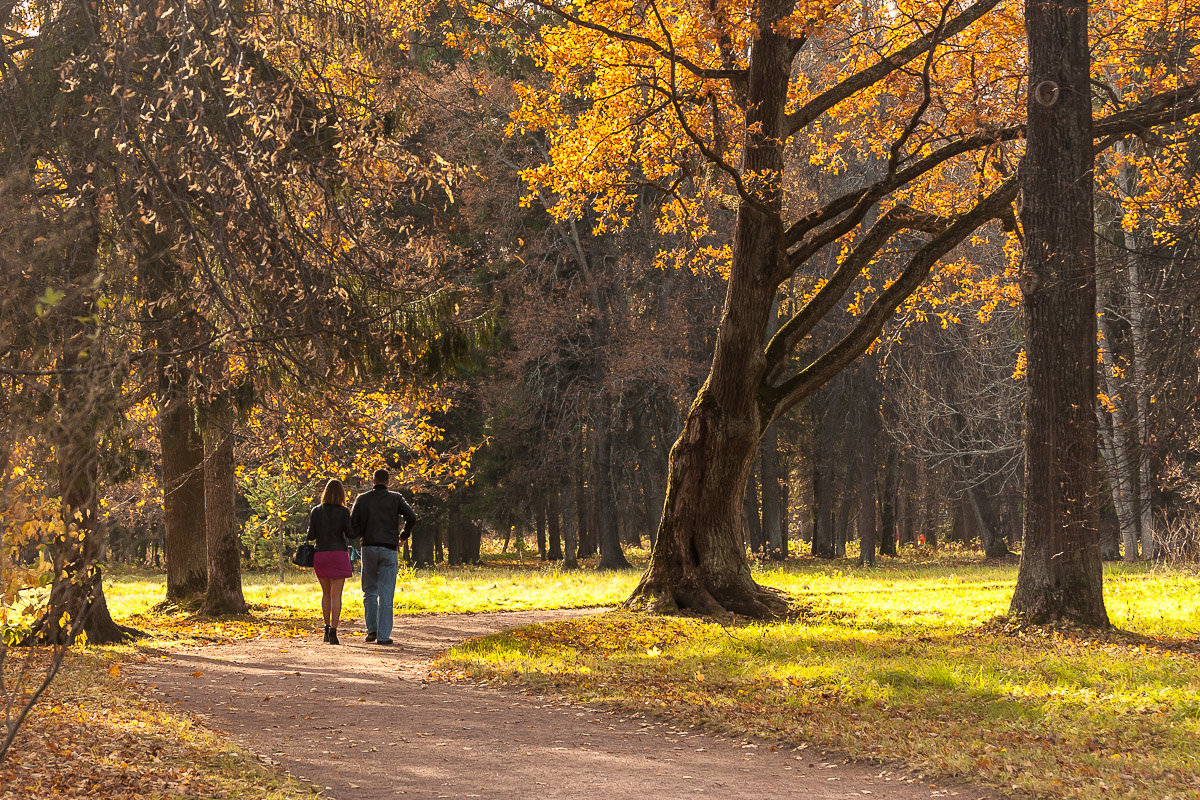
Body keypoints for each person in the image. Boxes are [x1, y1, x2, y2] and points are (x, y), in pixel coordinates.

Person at [349, 468, 416, 645]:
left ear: (373, 482)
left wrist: (361, 532)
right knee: (386, 593)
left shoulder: (362, 499)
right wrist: (403, 536)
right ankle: (384, 636)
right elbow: (412, 516)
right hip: (389, 548)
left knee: (369, 590)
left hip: (369, 548)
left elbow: (352, 525)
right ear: (388, 481)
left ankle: (371, 630)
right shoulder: (396, 498)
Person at [307, 478, 354, 645]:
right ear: (341, 494)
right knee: (337, 596)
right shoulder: (343, 511)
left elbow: (311, 535)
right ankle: (334, 630)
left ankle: (325, 629)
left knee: (325, 594)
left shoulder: (316, 510)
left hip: (321, 554)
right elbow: (350, 533)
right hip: (339, 554)